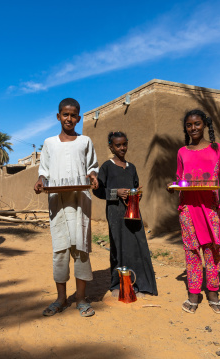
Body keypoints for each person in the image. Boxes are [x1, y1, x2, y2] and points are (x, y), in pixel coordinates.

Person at [34, 98, 99, 318]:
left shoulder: (85, 141)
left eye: (73, 115)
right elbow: (44, 171)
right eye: (65, 114)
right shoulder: (49, 143)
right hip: (58, 203)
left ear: (79, 118)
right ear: (58, 116)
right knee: (60, 251)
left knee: (81, 249)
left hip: (80, 202)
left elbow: (92, 167)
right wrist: (41, 181)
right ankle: (61, 299)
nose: (69, 118)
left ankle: (81, 299)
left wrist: (92, 177)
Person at [167, 109, 220, 314]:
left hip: (210, 206)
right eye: (189, 125)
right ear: (185, 128)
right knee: (191, 249)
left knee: (211, 249)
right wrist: (172, 185)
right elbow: (180, 179)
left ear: (204, 125)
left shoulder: (217, 148)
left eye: (197, 124)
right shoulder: (182, 152)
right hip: (187, 207)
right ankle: (194, 293)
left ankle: (212, 292)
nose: (193, 128)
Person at [93, 131, 158, 297]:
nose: (122, 148)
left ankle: (140, 283)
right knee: (118, 246)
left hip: (133, 212)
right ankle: (118, 285)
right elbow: (98, 191)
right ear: (111, 147)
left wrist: (137, 195)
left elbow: (135, 186)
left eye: (124, 144)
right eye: (118, 145)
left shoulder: (132, 168)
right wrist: (116, 192)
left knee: (138, 245)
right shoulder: (107, 167)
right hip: (115, 213)